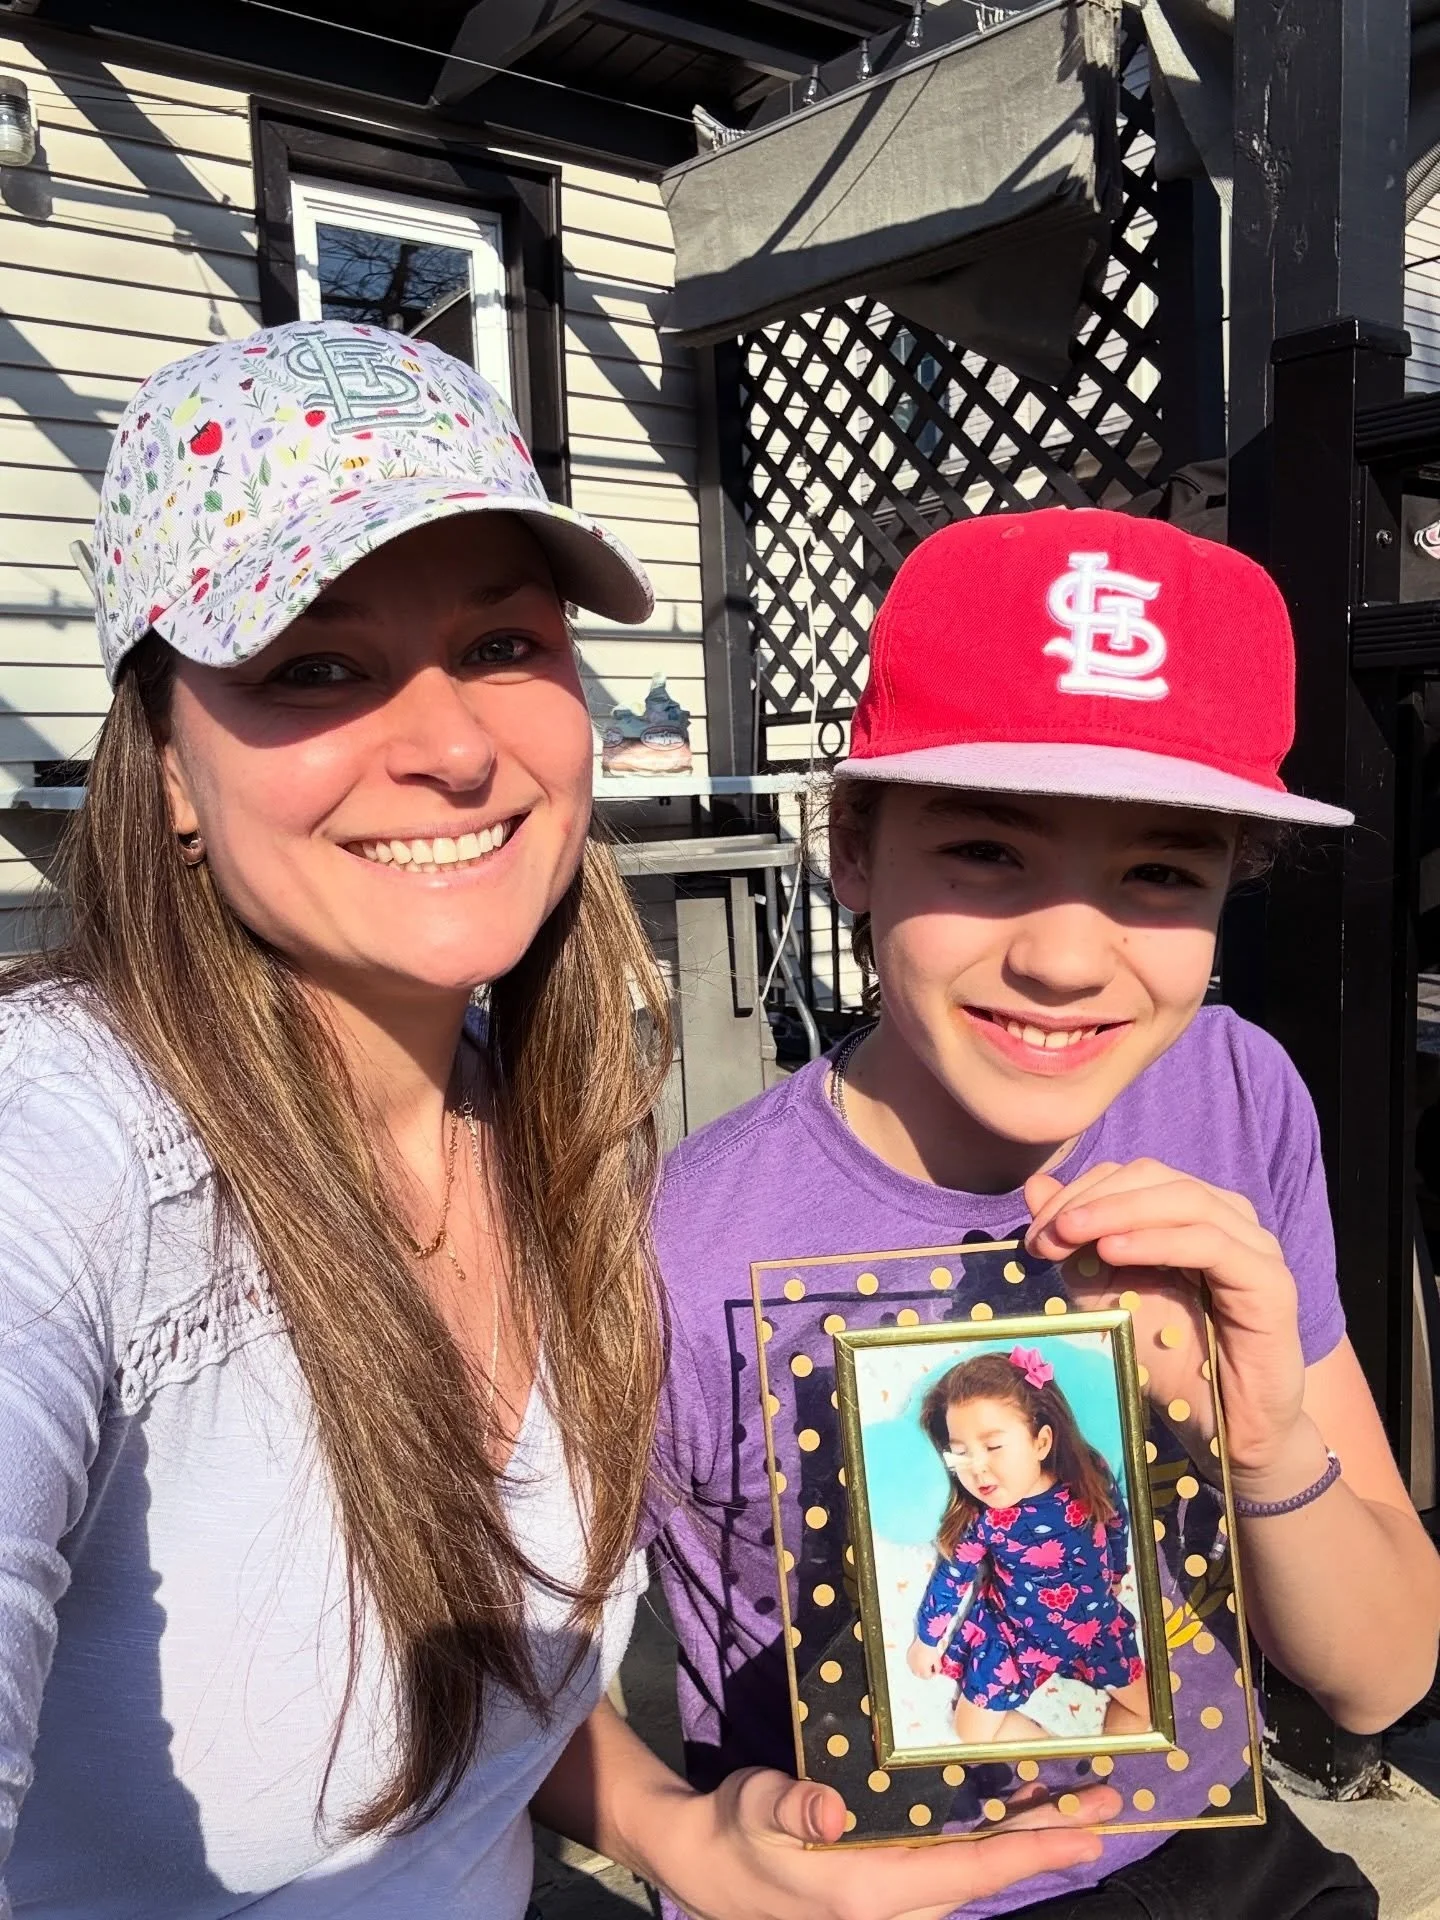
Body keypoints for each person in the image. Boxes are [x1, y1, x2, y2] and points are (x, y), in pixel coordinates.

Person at [0, 321, 1116, 1919]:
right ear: (169, 762)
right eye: (317, 665)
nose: (456, 747)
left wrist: (679, 1831)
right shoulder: (63, 1141)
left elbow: (484, 1685)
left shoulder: (543, 1121)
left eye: (504, 643)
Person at [654, 508, 1440, 1919]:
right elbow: (488, 1681)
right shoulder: (675, 1246)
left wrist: (1262, 1438)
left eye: (1161, 872)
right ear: (853, 850)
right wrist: (672, 1836)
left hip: (1205, 1845)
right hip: (868, 1891)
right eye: (986, 850)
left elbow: (1384, 1673)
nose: (1069, 958)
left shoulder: (1235, 1093)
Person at [908, 1348, 1148, 1744]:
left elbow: (1115, 1520)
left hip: (1094, 1626)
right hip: (1015, 1637)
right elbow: (953, 1576)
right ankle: (1056, 1757)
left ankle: (1106, 1766)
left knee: (1148, 1710)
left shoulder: (1088, 1474)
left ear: (1041, 1442)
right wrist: (926, 1640)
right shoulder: (982, 1519)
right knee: (971, 1731)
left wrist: (1118, 1570)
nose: (977, 1468)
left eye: (993, 1447)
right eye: (961, 1454)